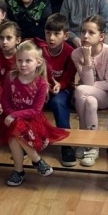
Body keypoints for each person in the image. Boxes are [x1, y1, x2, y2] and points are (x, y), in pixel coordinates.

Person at [0, 40, 68, 187]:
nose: (23, 64)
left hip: (32, 120)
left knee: (14, 133)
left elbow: (36, 110)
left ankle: (21, 169)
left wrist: (15, 115)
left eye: (28, 61)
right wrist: (11, 114)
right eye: (20, 60)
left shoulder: (41, 83)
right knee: (13, 132)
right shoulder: (11, 78)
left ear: (38, 62)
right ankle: (35, 161)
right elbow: (5, 101)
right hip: (10, 118)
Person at [71, 14, 108, 167]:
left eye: (91, 32)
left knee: (80, 90)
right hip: (87, 96)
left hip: (107, 96)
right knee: (90, 101)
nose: (85, 36)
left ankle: (82, 135)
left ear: (101, 36)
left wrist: (88, 60)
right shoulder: (76, 54)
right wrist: (86, 58)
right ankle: (93, 146)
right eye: (83, 31)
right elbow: (88, 83)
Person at [36, 13, 76, 168]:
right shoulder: (39, 50)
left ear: (66, 35)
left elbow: (69, 76)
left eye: (56, 34)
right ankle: (30, 141)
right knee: (30, 101)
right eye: (48, 33)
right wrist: (43, 85)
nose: (51, 38)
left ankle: (67, 145)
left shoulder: (70, 52)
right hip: (42, 89)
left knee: (58, 103)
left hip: (62, 91)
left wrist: (61, 84)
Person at [0, 21, 21, 116]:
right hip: (1, 94)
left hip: (20, 95)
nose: (4, 42)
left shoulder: (22, 56)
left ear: (18, 40)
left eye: (9, 38)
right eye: (1, 38)